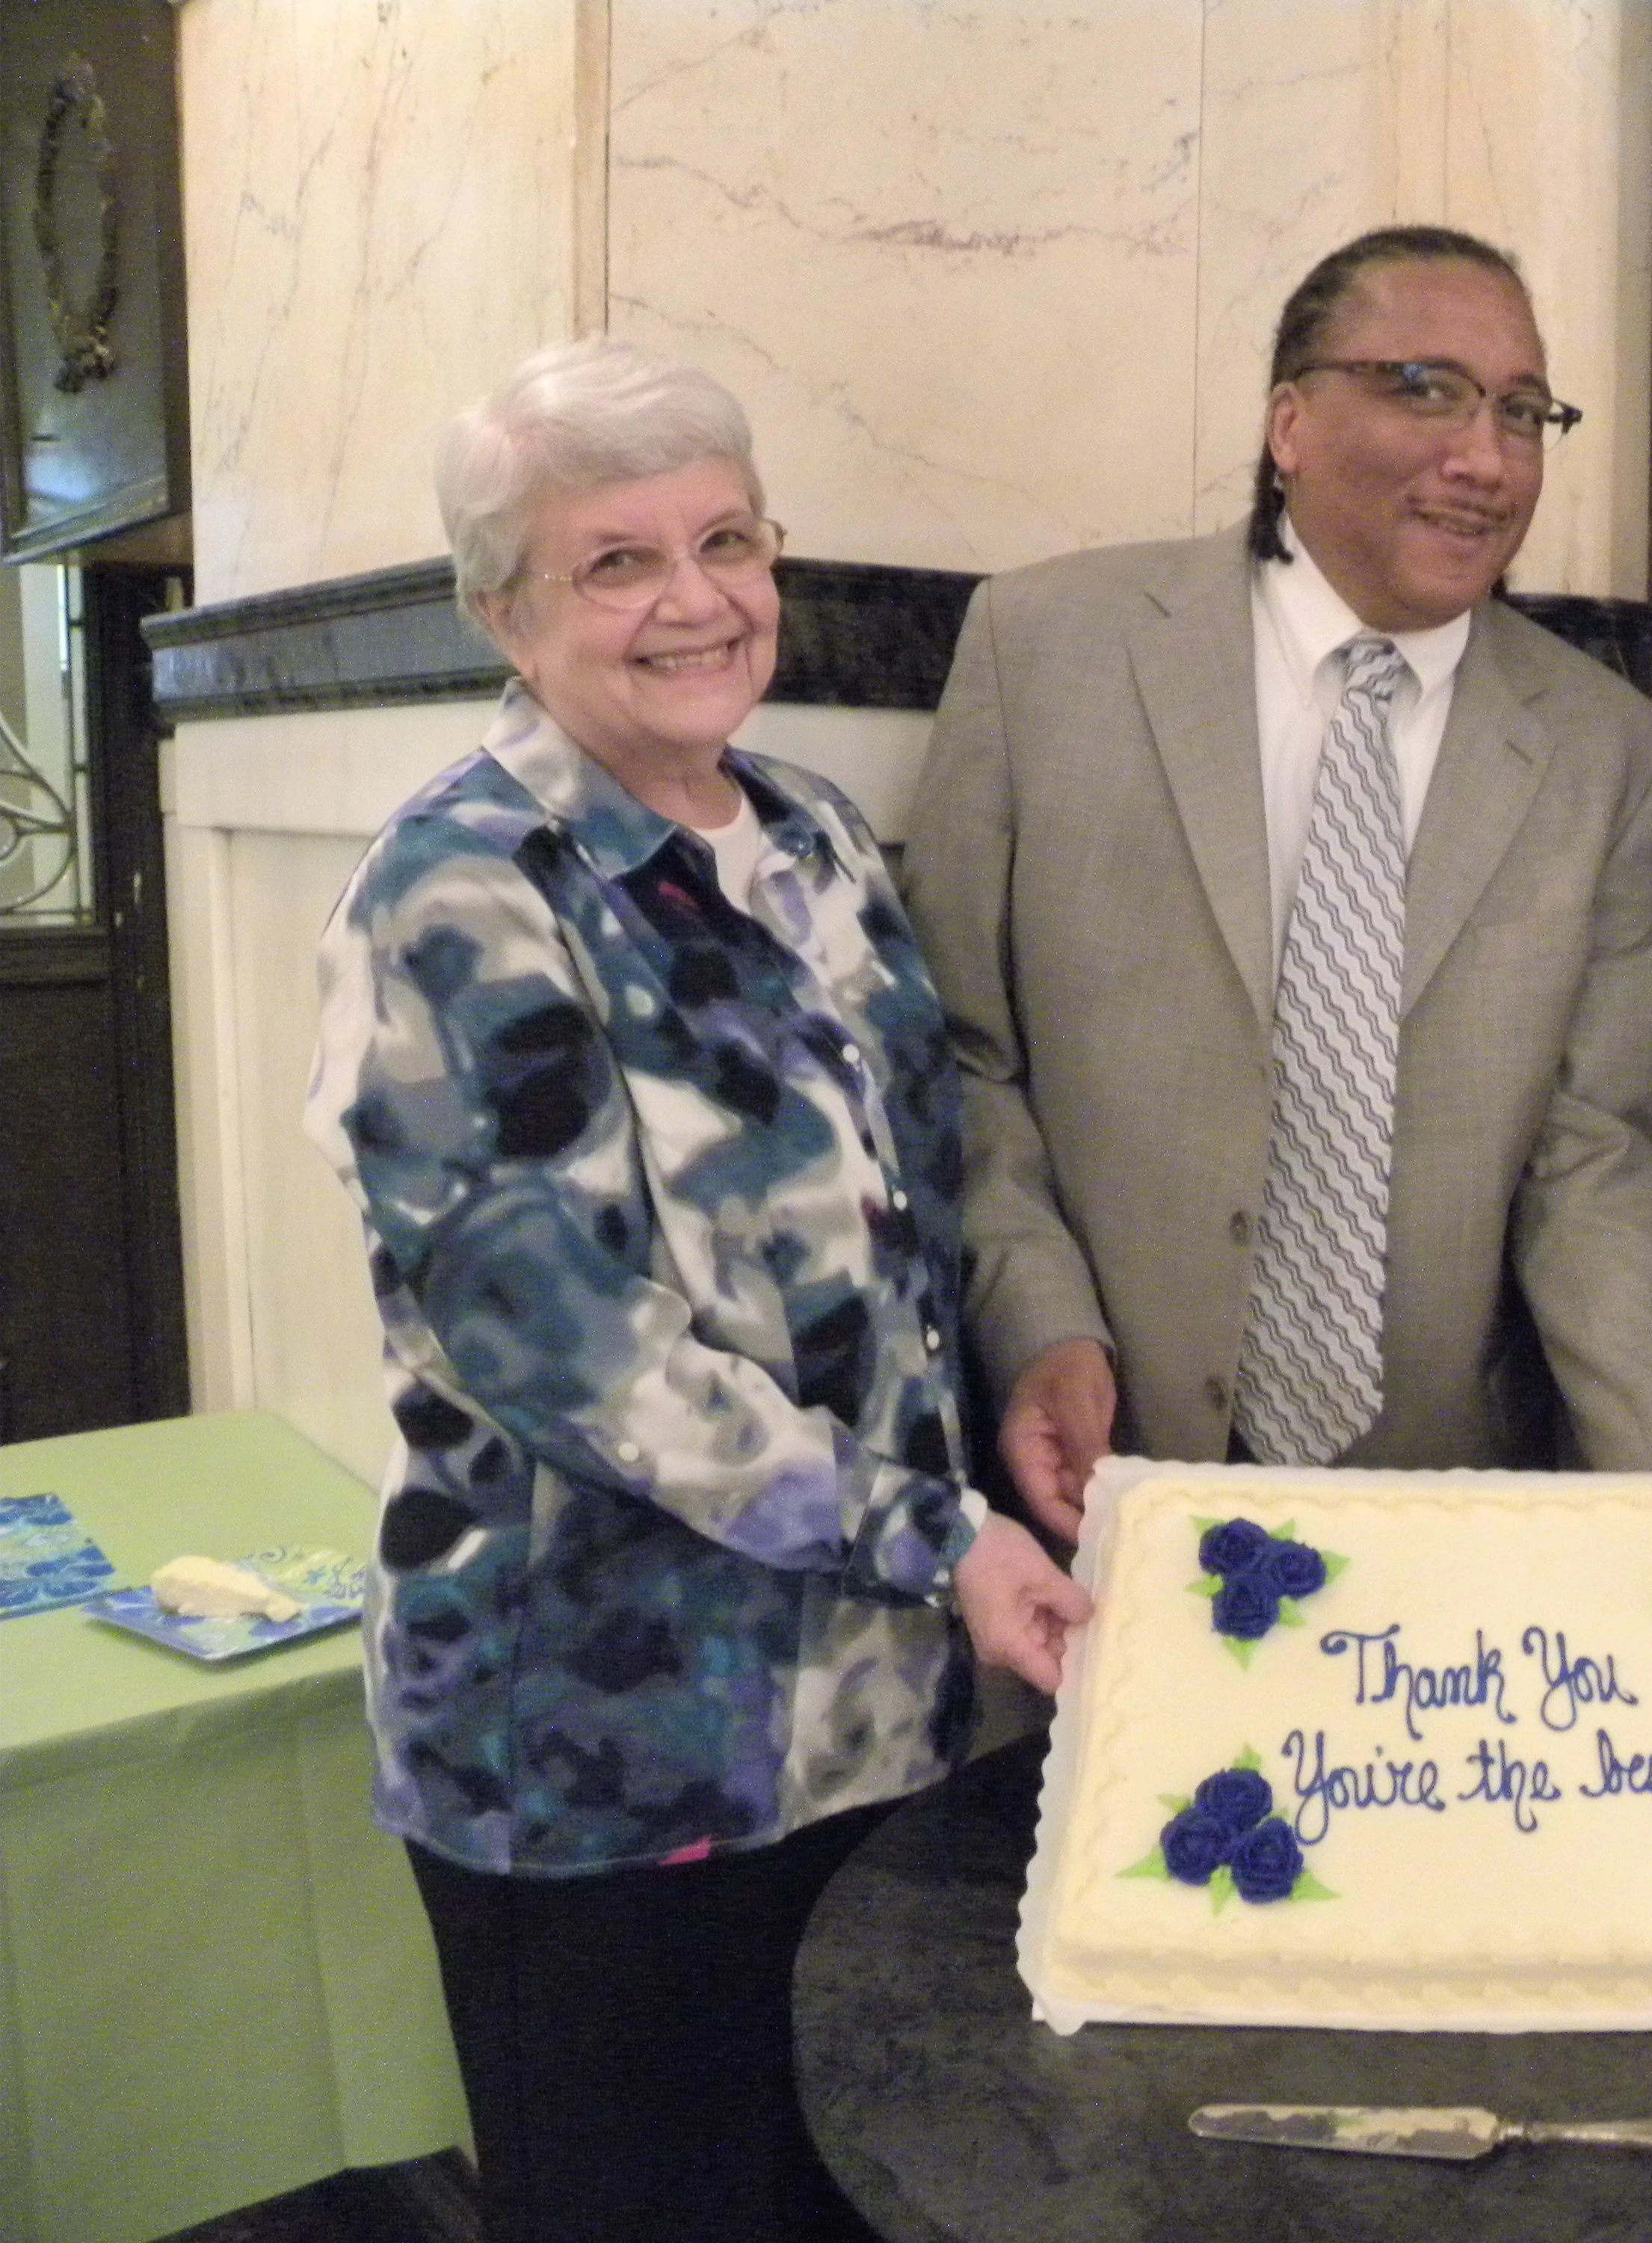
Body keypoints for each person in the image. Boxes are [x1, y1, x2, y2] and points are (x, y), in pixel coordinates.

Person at [306, 336, 1089, 2243]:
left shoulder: (812, 832)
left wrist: (1029, 1368)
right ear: (502, 610)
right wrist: (944, 1539)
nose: (692, 601)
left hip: (872, 1730)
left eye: (724, 540)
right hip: (596, 1750)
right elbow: (573, 1349)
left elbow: (909, 1200)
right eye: (616, 562)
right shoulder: (458, 892)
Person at [906, 224, 1652, 1529]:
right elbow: (957, 1056)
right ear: (1289, 422)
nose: (1486, 458)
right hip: (1089, 1479)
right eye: (1429, 389)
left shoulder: (1607, 751)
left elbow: (1592, 1170)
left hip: (1432, 1528)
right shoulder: (1044, 649)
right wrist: (1040, 1325)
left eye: (1523, 412)